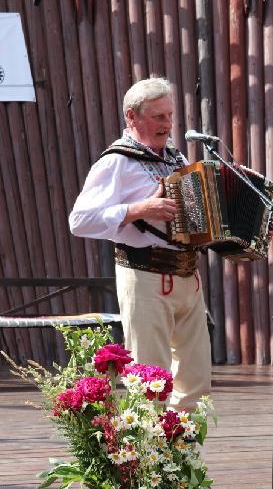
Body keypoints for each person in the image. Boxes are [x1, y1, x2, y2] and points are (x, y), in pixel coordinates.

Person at [69, 77, 211, 411]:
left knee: (197, 378)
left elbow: (197, 221)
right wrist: (137, 210)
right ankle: (148, 458)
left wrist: (236, 240)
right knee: (150, 379)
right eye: (158, 116)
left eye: (170, 115)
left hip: (188, 278)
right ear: (132, 117)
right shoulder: (116, 161)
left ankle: (180, 456)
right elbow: (79, 221)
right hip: (145, 274)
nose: (167, 124)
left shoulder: (174, 159)